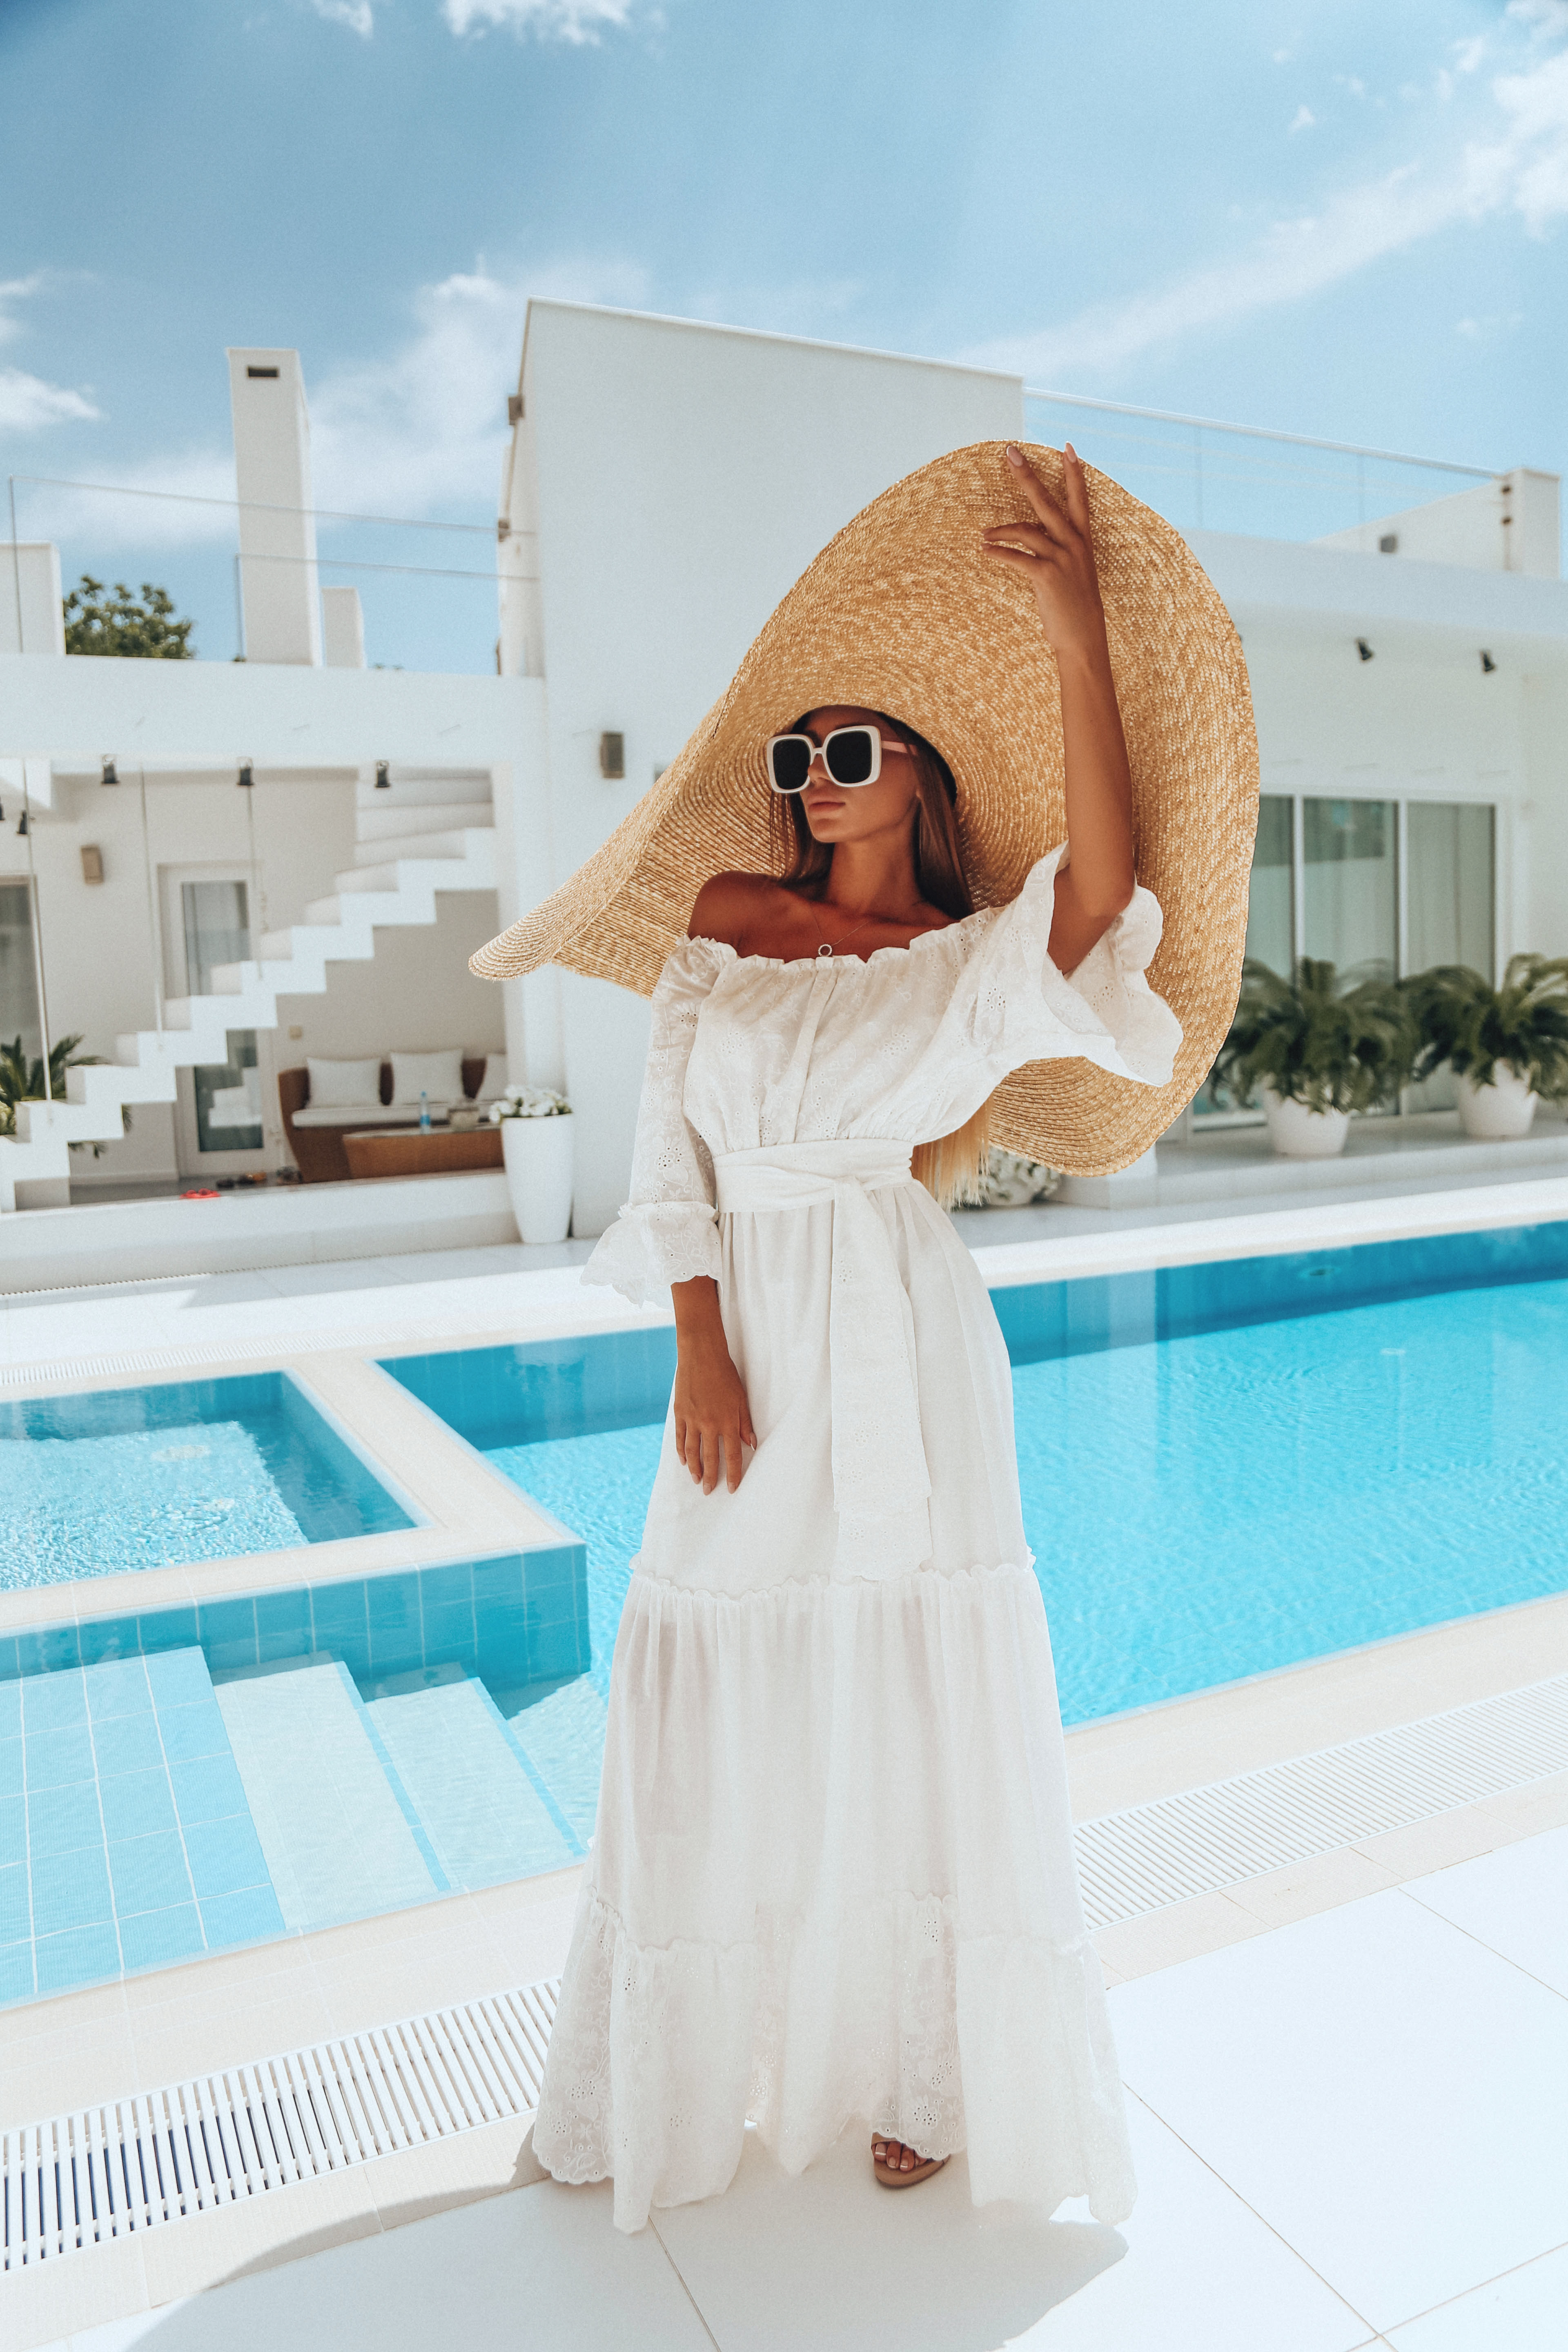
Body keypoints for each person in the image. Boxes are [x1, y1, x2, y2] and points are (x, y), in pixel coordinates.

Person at [472, 439, 1258, 2233]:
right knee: (707, 1647)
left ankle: (926, 2068)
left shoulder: (964, 960)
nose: (816, 786)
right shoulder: (728, 926)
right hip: (747, 1315)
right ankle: (689, 2058)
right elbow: (665, 1139)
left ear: (921, 780)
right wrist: (698, 1335)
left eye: (849, 754)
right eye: (795, 758)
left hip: (902, 1335)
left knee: (914, 1684)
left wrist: (1073, 630)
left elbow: (1101, 908)